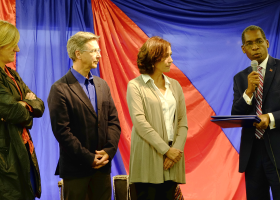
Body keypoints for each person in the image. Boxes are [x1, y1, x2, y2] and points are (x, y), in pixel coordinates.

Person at [48, 31, 121, 200]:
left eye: (99, 51)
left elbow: (113, 122)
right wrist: (89, 158)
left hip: (102, 169)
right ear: (78, 54)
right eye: (94, 51)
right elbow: (62, 132)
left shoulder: (103, 85)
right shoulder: (59, 88)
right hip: (76, 170)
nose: (99, 55)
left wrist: (109, 151)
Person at [127, 36, 188, 200]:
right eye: (167, 56)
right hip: (147, 156)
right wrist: (167, 151)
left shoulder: (175, 85)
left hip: (172, 159)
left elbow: (182, 122)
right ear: (154, 58)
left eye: (171, 55)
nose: (171, 60)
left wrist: (176, 151)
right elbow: (140, 123)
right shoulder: (135, 86)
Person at [232, 25, 280, 199]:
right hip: (252, 154)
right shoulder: (240, 78)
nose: (255, 47)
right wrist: (249, 92)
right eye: (250, 43)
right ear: (244, 49)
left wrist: (271, 117)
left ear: (267, 43)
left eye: (259, 41)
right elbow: (236, 115)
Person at [0, 20, 44, 200]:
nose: (17, 49)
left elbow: (39, 105)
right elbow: (12, 111)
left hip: (22, 151)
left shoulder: (12, 74)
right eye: (13, 44)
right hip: (5, 159)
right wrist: (27, 104)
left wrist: (24, 104)